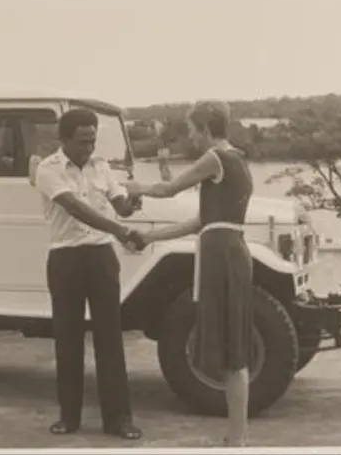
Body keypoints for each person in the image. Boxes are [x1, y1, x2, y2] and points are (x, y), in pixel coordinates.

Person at [122, 100, 254, 447]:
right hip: (230, 249)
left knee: (231, 350)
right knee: (233, 348)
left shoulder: (215, 158)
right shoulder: (238, 159)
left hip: (221, 256)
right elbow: (201, 221)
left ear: (208, 129)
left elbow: (169, 189)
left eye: (194, 129)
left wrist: (135, 189)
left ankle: (237, 440)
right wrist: (150, 237)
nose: (192, 137)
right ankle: (236, 436)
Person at [33, 108, 145, 440]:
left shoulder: (102, 168)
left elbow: (120, 204)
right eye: (82, 141)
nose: (89, 148)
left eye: (93, 140)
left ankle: (119, 420)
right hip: (65, 258)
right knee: (68, 340)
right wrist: (121, 230)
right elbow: (76, 209)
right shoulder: (47, 169)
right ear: (64, 139)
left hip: (101, 257)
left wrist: (132, 202)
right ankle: (69, 417)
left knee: (110, 338)